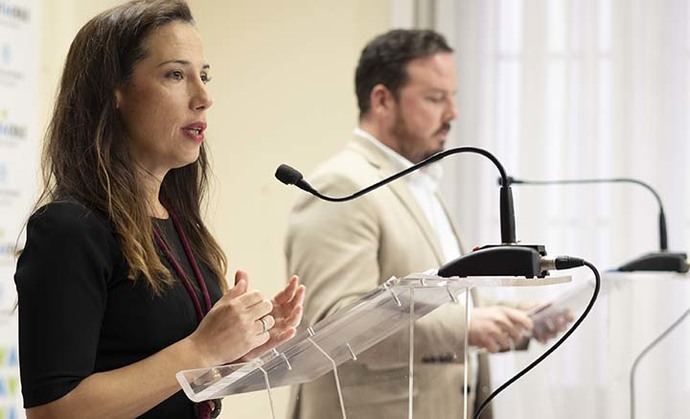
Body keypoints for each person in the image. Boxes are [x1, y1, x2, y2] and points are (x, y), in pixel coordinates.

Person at [13, 1, 305, 418]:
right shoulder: (69, 229)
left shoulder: (179, 223)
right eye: (175, 75)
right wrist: (202, 349)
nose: (203, 97)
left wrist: (240, 349)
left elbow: (171, 378)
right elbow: (54, 411)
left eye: (203, 76)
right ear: (113, 91)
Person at [285, 29, 566, 419]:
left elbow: (439, 301)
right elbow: (336, 327)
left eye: (453, 97)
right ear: (382, 100)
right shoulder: (343, 185)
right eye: (436, 98)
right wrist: (466, 326)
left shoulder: (418, 183)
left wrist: (515, 319)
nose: (453, 113)